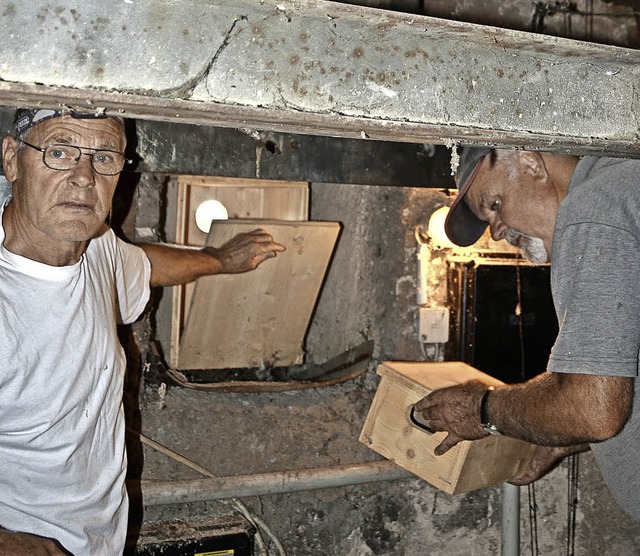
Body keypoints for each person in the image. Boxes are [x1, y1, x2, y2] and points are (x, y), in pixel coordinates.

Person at [0, 108, 285, 555]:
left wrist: (221, 260)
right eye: (59, 152)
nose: (83, 177)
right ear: (12, 159)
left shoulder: (96, 249)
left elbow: (144, 265)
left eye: (104, 158)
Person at [414, 146, 640, 521]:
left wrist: (481, 410)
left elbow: (595, 410)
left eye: (495, 204)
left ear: (529, 161)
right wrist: (562, 432)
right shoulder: (623, 186)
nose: (498, 231)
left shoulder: (593, 212)